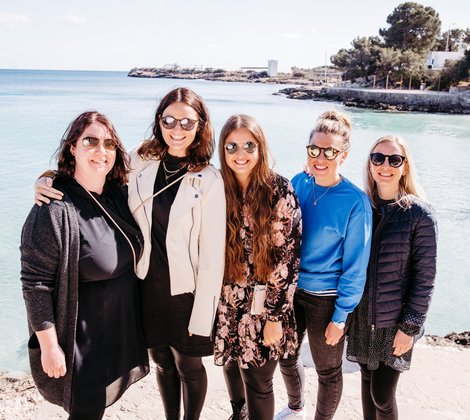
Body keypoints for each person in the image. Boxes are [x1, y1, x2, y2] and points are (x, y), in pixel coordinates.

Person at [33, 88, 226, 420]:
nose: (177, 129)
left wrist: (202, 315)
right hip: (145, 286)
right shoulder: (141, 158)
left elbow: (212, 256)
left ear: (200, 126)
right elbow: (95, 171)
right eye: (169, 119)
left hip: (186, 291)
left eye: (186, 122)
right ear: (159, 121)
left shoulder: (209, 178)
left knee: (189, 365)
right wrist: (47, 177)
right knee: (163, 363)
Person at [21, 111, 149, 420]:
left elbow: (159, 152)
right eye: (89, 141)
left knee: (97, 409)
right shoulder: (52, 209)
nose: (100, 151)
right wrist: (49, 346)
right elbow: (35, 283)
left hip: (117, 329)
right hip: (81, 340)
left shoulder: (120, 194)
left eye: (109, 143)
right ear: (72, 149)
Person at [275, 110, 373, 420]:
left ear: (342, 156)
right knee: (286, 357)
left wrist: (341, 316)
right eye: (314, 149)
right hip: (292, 291)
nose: (321, 157)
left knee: (328, 371)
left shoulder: (356, 202)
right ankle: (295, 407)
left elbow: (356, 267)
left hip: (326, 299)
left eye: (330, 151)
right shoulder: (298, 183)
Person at [214, 114, 302, 420]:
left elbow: (287, 261)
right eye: (232, 146)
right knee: (230, 363)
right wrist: (55, 176)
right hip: (226, 299)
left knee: (258, 380)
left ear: (260, 147)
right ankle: (239, 415)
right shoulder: (215, 186)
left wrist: (275, 317)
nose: (241, 153)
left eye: (249, 145)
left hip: (266, 304)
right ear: (222, 150)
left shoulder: (279, 189)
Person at [346, 135, 438, 420]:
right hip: (362, 315)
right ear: (370, 164)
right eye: (378, 158)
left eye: (394, 159)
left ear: (404, 167)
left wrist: (410, 328)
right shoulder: (362, 208)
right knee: (365, 385)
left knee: (382, 397)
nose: (385, 165)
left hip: (394, 322)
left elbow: (425, 279)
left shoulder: (420, 215)